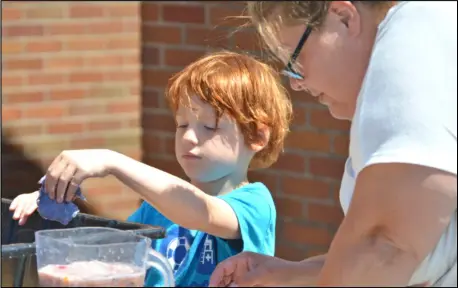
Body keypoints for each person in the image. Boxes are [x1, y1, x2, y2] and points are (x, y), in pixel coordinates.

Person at [210, 1, 457, 287]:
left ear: (344, 17)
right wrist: (287, 273)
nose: (296, 83)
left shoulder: (413, 26)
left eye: (295, 59)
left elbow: (383, 244)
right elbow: (417, 250)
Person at [9, 51, 293, 287]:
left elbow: (200, 212)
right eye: (182, 125)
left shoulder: (255, 204)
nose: (189, 137)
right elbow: (105, 251)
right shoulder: (154, 209)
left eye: (209, 127)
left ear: (256, 137)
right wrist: (51, 210)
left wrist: (112, 161)